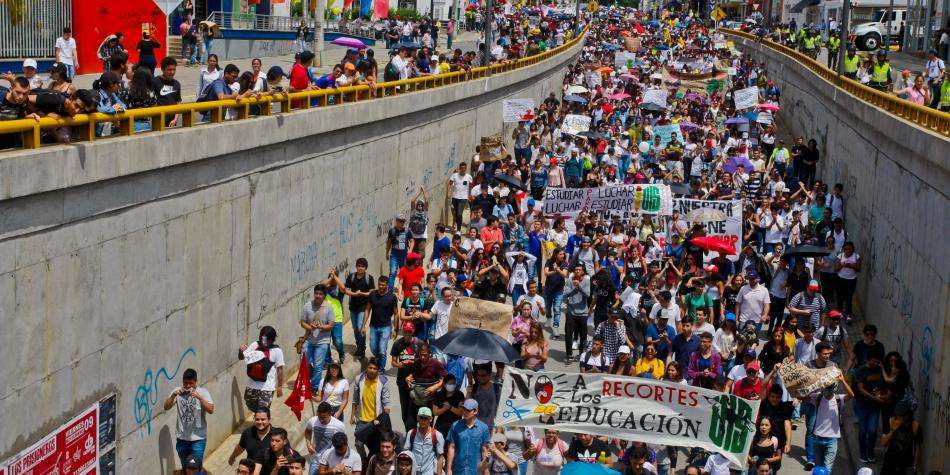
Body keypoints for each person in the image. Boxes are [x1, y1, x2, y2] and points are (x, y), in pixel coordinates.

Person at [163, 368, 214, 474]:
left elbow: (211, 409)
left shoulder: (203, 392)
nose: (188, 386)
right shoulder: (177, 392)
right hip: (182, 438)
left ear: (196, 381)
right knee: (186, 468)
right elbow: (166, 407)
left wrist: (200, 398)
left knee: (195, 469)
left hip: (198, 439)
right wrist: (173, 396)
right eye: (185, 383)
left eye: (191, 383)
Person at [351, 358, 392, 461]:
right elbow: (355, 399)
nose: (372, 370)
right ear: (366, 367)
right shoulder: (359, 379)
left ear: (378, 370)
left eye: (375, 368)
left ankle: (372, 462)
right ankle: (363, 462)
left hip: (376, 421)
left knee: (375, 446)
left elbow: (386, 403)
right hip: (361, 420)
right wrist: (352, 415)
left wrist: (384, 420)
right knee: (358, 444)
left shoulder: (383, 381)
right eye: (370, 367)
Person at [239, 326, 285, 412]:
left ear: (272, 339)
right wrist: (241, 351)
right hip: (252, 385)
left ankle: (263, 420)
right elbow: (242, 357)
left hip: (267, 387)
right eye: (262, 338)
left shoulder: (277, 350)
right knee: (250, 406)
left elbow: (280, 369)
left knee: (263, 411)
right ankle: (260, 418)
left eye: (266, 339)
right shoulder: (255, 345)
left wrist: (279, 387)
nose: (263, 341)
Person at [301, 284, 336, 392]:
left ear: (324, 296)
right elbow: (302, 322)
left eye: (320, 294)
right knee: (304, 362)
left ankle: (315, 387)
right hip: (309, 340)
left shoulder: (329, 307)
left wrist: (321, 327)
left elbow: (331, 325)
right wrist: (310, 328)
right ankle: (305, 382)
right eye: (316, 293)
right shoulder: (307, 306)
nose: (318, 295)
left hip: (323, 341)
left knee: (318, 365)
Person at [854, 353, 886, 463]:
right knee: (863, 430)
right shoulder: (861, 371)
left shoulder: (881, 370)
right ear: (868, 360)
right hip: (862, 405)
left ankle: (871, 453)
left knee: (872, 431)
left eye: (878, 362)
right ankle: (863, 454)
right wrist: (874, 398)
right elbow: (860, 389)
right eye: (874, 361)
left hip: (874, 407)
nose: (876, 364)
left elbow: (886, 384)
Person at [446, 399, 491, 475]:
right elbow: (451, 447)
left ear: (475, 411)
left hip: (475, 470)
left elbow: (484, 450)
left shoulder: (483, 428)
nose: (465, 412)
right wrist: (449, 469)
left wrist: (485, 470)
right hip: (458, 470)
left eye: (468, 410)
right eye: (464, 409)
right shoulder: (455, 425)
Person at [342, 258, 375, 359]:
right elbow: (346, 290)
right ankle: (359, 345)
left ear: (366, 268)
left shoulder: (369, 278)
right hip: (353, 306)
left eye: (363, 266)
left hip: (363, 307)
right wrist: (355, 294)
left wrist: (362, 294)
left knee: (361, 327)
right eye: (359, 266)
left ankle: (361, 349)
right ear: (356, 266)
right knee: (355, 328)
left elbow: (372, 292)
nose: (360, 268)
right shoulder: (351, 277)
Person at [881, 401, 922, 475]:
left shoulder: (915, 426)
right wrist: (893, 431)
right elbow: (883, 443)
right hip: (890, 462)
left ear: (907, 415)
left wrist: (914, 467)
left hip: (905, 464)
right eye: (897, 415)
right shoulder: (892, 421)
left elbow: (917, 448)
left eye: (900, 416)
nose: (898, 417)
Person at [366, 277, 398, 370]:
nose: (380, 286)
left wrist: (395, 330)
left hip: (386, 327)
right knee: (373, 348)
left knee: (382, 350)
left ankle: (381, 369)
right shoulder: (372, 294)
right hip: (373, 326)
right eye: (379, 284)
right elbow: (367, 309)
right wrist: (363, 325)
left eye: (383, 285)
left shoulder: (392, 297)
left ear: (387, 285)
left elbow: (396, 314)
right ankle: (378, 361)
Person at [306, 402, 347, 473]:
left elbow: (344, 443)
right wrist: (308, 444)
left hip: (331, 462)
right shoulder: (312, 421)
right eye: (319, 417)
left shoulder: (339, 425)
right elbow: (308, 431)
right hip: (316, 460)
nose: (321, 420)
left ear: (330, 414)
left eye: (324, 417)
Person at [405, 407, 445, 475]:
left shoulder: (437, 435)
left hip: (430, 472)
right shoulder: (411, 433)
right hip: (414, 472)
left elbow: (440, 458)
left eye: (426, 418)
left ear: (431, 419)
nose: (423, 420)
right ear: (417, 418)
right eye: (421, 417)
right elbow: (407, 454)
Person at [564, 264, 591, 363]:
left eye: (579, 270)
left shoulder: (587, 281)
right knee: (568, 334)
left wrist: (579, 287)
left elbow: (588, 294)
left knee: (583, 336)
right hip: (571, 311)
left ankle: (581, 354)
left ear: (583, 272)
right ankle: (569, 354)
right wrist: (574, 289)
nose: (577, 271)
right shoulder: (569, 280)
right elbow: (566, 294)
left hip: (583, 313)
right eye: (576, 269)